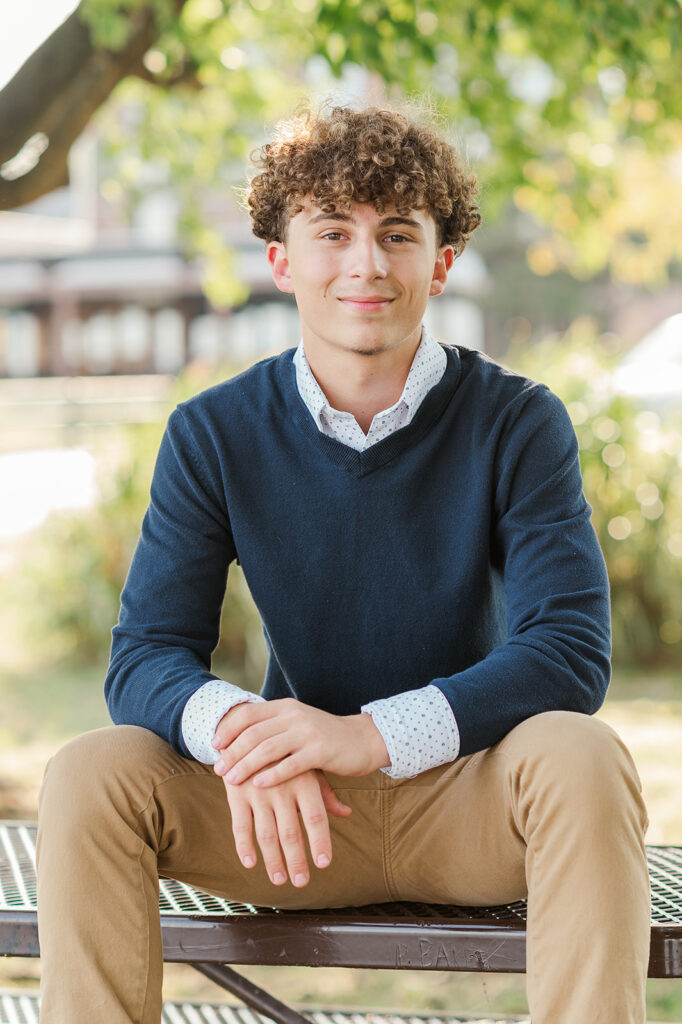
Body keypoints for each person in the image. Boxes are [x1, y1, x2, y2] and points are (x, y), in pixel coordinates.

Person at [36, 105, 650, 1024]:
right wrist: (253, 741)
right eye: (332, 232)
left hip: (469, 806)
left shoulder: (518, 422)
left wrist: (366, 736)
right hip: (290, 821)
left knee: (581, 753)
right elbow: (146, 655)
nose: (366, 264)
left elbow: (568, 650)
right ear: (282, 260)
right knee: (92, 771)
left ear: (440, 264)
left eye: (397, 234)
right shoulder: (212, 433)